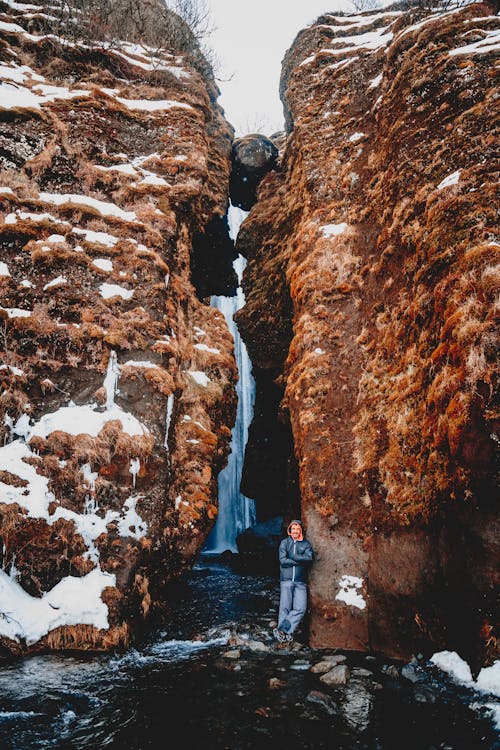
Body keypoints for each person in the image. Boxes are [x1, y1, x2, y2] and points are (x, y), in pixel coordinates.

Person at [273, 519, 313, 643]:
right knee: (284, 608)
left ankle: (282, 630)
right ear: (289, 531)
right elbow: (283, 561)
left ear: (301, 530)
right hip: (286, 580)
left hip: (301, 581)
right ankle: (284, 636)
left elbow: (309, 557)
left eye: (297, 529)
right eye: (293, 529)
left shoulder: (306, 544)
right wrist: (300, 560)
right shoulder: (285, 543)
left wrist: (294, 557)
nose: (295, 531)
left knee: (300, 608)